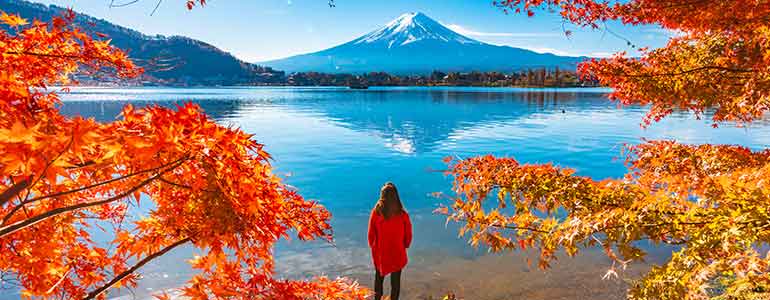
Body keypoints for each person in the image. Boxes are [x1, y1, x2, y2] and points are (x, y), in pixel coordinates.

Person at [368, 182, 412, 300]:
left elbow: (371, 236)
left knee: (378, 280)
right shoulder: (402, 214)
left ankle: (377, 299)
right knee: (395, 283)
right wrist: (405, 245)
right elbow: (408, 235)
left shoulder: (376, 213)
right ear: (396, 196)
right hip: (397, 252)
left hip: (381, 254)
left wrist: (374, 247)